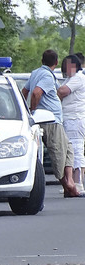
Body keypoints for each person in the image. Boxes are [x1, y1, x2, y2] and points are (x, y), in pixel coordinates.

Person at [22, 49, 82, 197]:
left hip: (54, 119)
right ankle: (68, 185)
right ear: (56, 62)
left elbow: (24, 91)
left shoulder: (36, 73)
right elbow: (36, 92)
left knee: (68, 149)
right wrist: (33, 110)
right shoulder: (47, 76)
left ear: (42, 60)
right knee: (58, 153)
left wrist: (26, 109)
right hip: (50, 119)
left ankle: (70, 182)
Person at [58, 54, 85, 193]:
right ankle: (72, 181)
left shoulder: (78, 78)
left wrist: (53, 94)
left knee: (76, 149)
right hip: (69, 118)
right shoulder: (71, 78)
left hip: (75, 118)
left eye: (69, 66)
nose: (66, 69)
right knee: (70, 150)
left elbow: (62, 91)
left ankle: (78, 182)